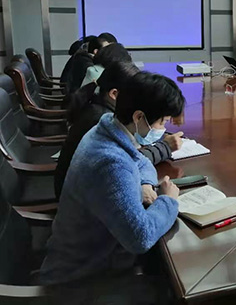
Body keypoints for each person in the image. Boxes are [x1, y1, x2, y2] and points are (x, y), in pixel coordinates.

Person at [40, 71, 185, 286]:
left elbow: (141, 161)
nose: (163, 130)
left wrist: (145, 184)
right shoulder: (110, 164)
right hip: (81, 280)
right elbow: (141, 237)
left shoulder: (108, 129)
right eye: (162, 122)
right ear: (138, 117)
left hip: (96, 255)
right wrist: (168, 201)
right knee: (171, 283)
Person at [55, 62, 183, 198]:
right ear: (114, 94)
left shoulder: (102, 111)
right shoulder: (99, 120)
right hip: (79, 197)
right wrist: (165, 147)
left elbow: (136, 160)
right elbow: (128, 161)